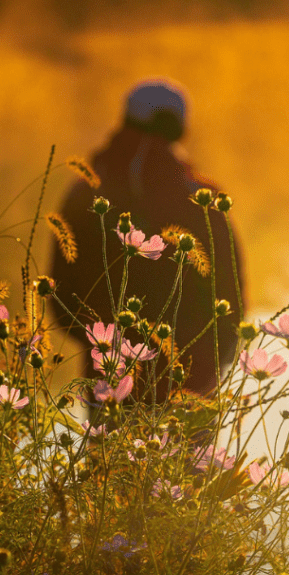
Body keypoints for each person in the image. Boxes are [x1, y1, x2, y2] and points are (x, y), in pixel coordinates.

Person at [50, 78, 245, 401]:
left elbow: (61, 295)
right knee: (189, 455)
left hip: (109, 377)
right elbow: (230, 295)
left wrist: (103, 344)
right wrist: (215, 361)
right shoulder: (203, 199)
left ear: (125, 120)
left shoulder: (84, 192)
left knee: (109, 452)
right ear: (178, 129)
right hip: (190, 381)